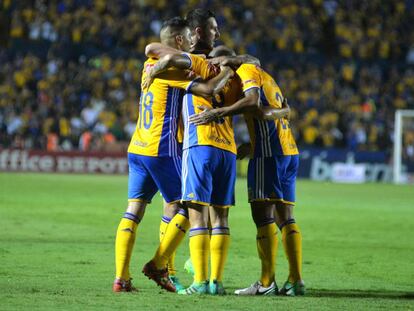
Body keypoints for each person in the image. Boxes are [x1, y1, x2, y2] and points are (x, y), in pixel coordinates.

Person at [113, 16, 234, 293]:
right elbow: (207, 89)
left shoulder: (149, 65)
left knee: (134, 210)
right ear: (179, 40)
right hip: (162, 148)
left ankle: (122, 278)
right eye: (189, 37)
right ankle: (160, 265)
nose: (194, 40)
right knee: (186, 206)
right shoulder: (172, 72)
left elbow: (152, 49)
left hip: (138, 148)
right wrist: (227, 71)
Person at [189, 58, 305, 296]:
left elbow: (254, 105)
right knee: (286, 218)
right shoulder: (268, 78)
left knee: (262, 216)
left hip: (269, 155)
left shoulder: (246, 70)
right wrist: (250, 145)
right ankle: (295, 281)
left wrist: (220, 111)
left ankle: (266, 283)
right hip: (288, 151)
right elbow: (269, 112)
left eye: (220, 64)